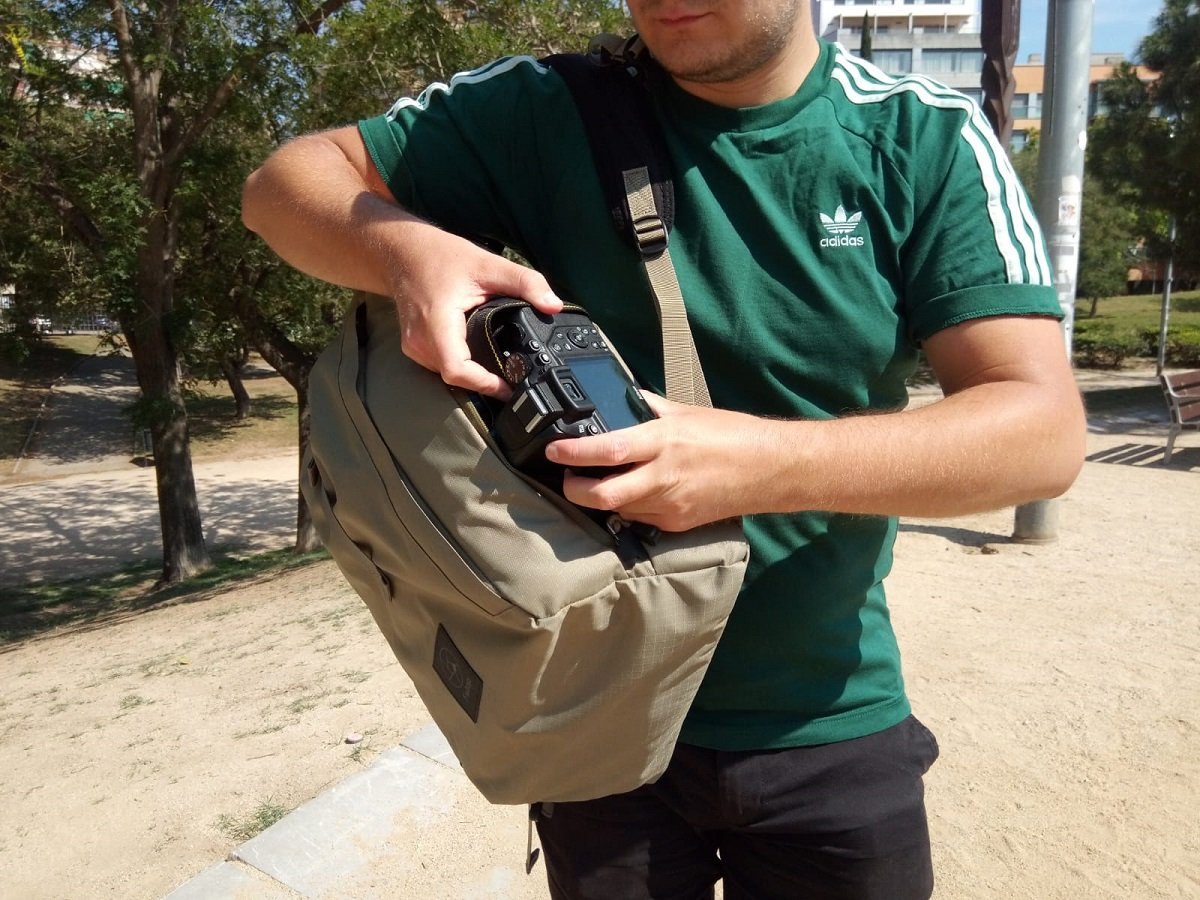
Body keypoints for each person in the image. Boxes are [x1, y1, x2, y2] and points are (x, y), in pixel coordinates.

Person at [242, 1, 1086, 896]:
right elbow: (283, 184)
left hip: (829, 716)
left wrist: (753, 466)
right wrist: (404, 249)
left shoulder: (922, 136)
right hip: (598, 715)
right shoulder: (543, 107)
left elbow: (1041, 430)